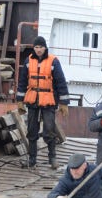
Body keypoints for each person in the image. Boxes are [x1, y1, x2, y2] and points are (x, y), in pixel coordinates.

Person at [16, 35, 70, 169]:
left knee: (49, 131)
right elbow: (22, 82)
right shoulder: (28, 61)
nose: (38, 49)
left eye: (40, 47)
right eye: (36, 47)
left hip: (49, 100)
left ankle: (53, 159)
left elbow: (61, 82)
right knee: (32, 130)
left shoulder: (53, 61)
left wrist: (64, 103)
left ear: (45, 47)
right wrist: (20, 101)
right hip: (33, 99)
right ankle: (32, 160)